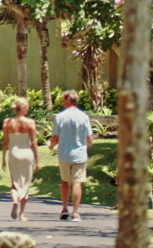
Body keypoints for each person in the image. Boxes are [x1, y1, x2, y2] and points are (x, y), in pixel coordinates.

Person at [48, 89, 93, 222]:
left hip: (64, 154)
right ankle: (75, 213)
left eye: (63, 100)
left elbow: (55, 137)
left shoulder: (60, 117)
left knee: (65, 181)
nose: (62, 102)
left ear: (68, 100)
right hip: (79, 154)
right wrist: (87, 145)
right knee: (77, 182)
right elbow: (89, 137)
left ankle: (64, 208)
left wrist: (51, 146)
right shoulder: (84, 116)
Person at [2, 97, 40, 221]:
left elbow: (5, 142)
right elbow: (34, 142)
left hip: (14, 153)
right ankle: (22, 214)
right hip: (27, 154)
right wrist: (37, 160)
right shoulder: (30, 122)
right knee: (25, 183)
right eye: (27, 106)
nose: (28, 108)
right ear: (23, 108)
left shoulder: (7, 122)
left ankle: (15, 201)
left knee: (15, 183)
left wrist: (3, 158)